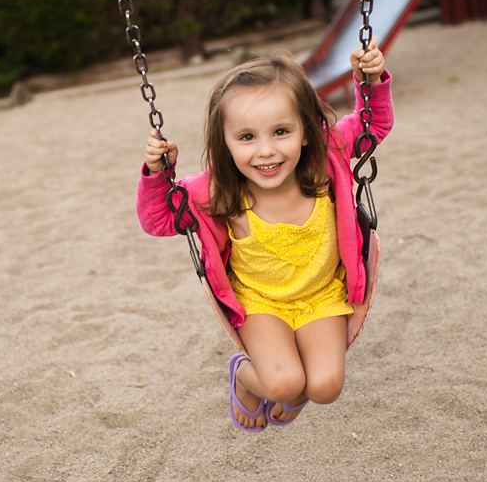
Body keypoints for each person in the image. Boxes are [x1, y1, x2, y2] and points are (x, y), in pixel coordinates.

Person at [136, 39, 391, 432]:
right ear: (225, 141)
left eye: (281, 131)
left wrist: (370, 81)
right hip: (259, 304)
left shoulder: (326, 159)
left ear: (307, 131)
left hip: (322, 296)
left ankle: (295, 382)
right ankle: (243, 374)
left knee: (324, 387)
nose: (267, 152)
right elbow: (157, 219)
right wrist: (157, 175)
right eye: (247, 137)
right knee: (283, 383)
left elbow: (373, 124)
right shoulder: (217, 190)